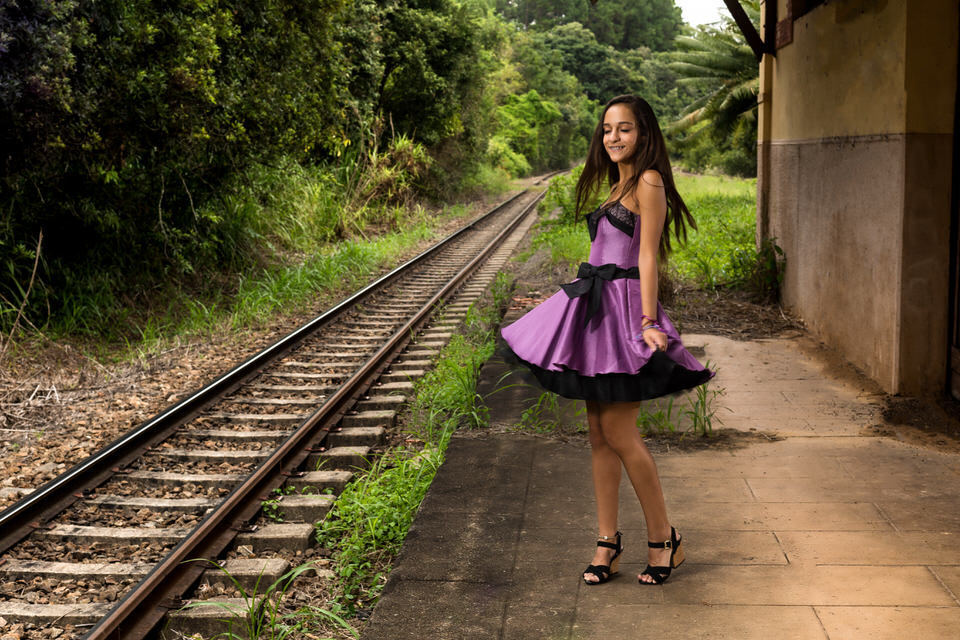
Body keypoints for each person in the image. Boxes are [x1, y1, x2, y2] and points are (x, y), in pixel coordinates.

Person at [500, 95, 713, 586]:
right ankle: (607, 541)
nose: (614, 137)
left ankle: (664, 539)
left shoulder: (649, 181)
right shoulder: (617, 184)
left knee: (620, 433)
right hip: (594, 310)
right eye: (607, 130)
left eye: (625, 129)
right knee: (597, 434)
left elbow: (647, 257)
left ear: (644, 134)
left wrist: (645, 322)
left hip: (623, 313)